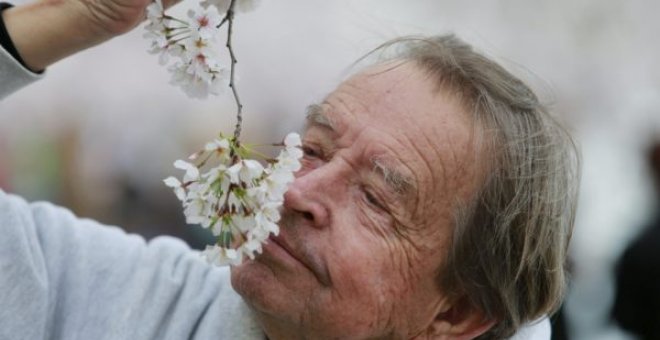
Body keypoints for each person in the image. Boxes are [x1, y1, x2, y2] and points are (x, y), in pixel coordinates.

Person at [0, 0, 579, 339]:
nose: (298, 190)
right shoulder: (120, 299)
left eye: (376, 199)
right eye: (314, 148)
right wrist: (75, 18)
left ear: (455, 314)